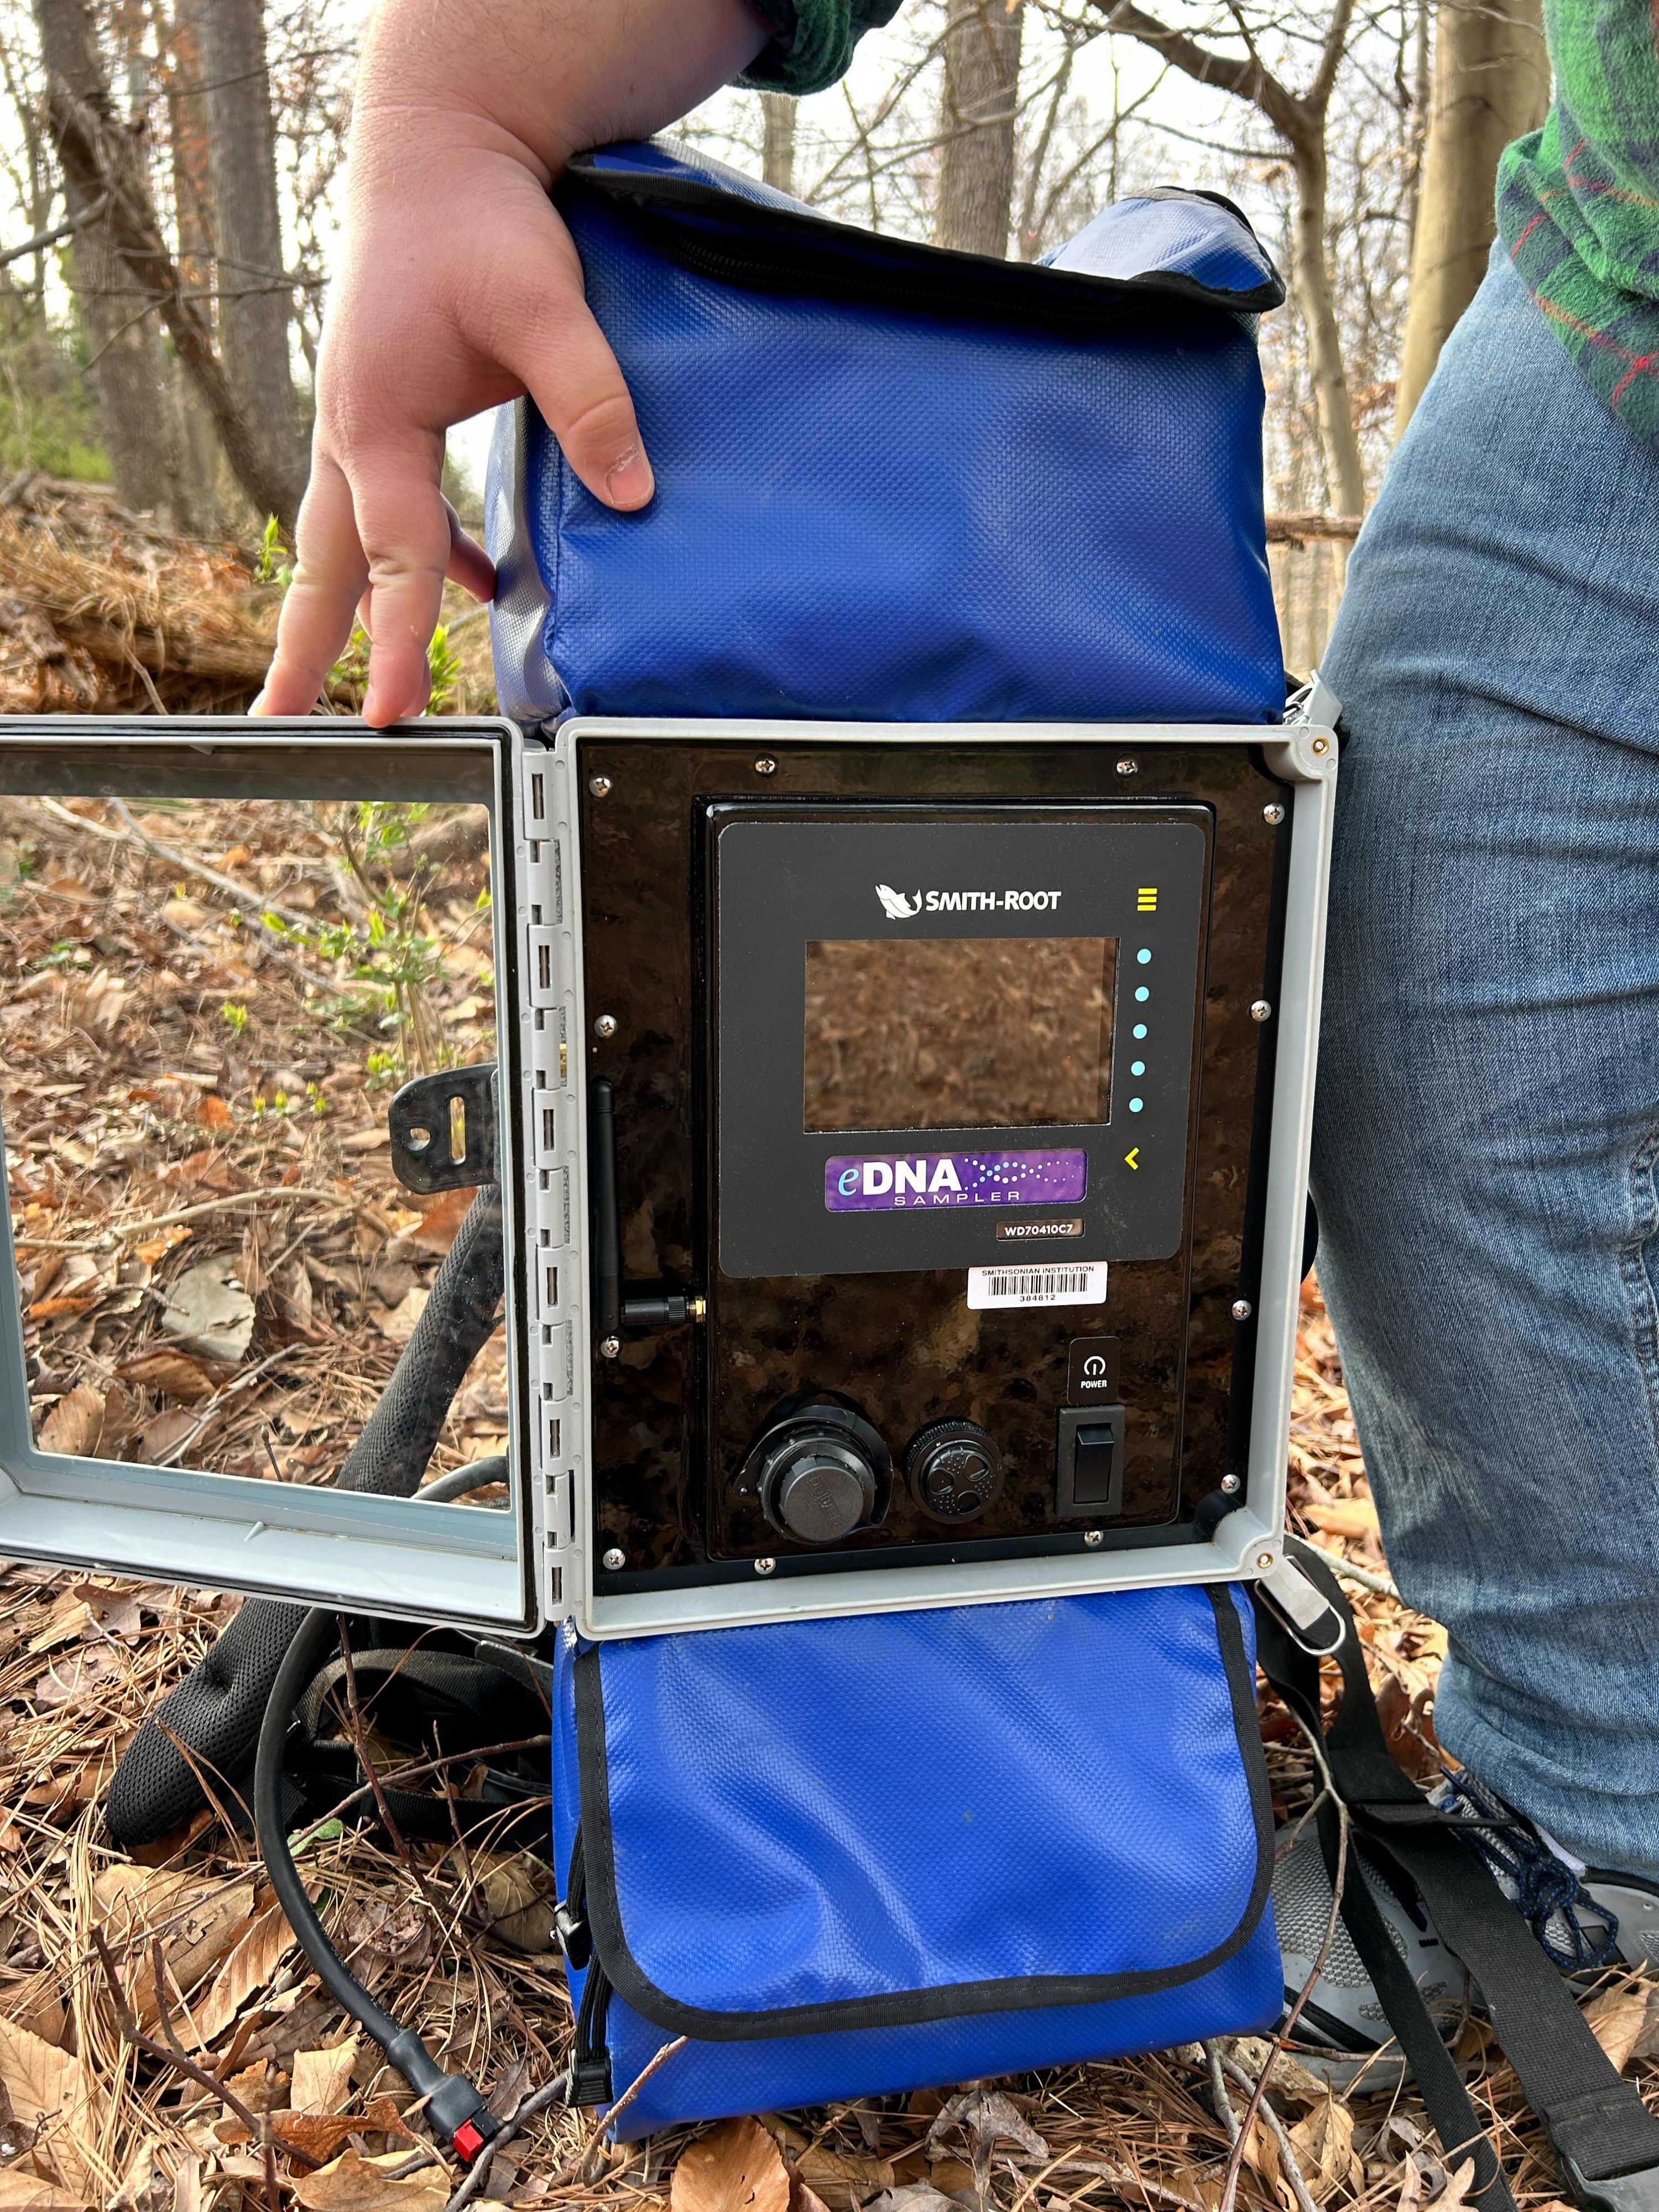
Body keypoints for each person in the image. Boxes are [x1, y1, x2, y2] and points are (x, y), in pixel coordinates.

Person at [258, 0, 1659, 1989]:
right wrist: (454, 100)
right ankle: (1612, 1786)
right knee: (1425, 927)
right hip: (1629, 233)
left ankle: (1595, 1778)